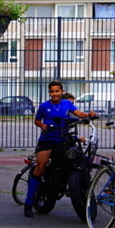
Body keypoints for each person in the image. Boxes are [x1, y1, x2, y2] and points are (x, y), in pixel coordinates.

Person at [24, 81, 96, 217]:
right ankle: (28, 203)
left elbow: (78, 113)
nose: (55, 94)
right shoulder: (44, 106)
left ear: (62, 91)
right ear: (49, 93)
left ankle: (77, 187)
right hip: (48, 140)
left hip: (63, 139)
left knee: (78, 159)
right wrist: (42, 126)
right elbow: (37, 120)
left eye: (57, 91)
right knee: (40, 168)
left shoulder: (67, 104)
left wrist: (88, 115)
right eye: (52, 91)